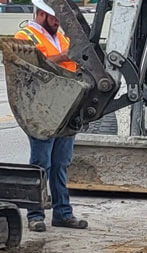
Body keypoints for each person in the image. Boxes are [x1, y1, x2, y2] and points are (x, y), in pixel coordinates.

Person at [15, 0, 86, 231]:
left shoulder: (62, 37)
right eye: (54, 17)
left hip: (66, 108)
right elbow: (30, 68)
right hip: (41, 111)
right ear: (41, 14)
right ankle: (35, 215)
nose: (58, 22)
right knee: (41, 164)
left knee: (60, 164)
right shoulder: (25, 37)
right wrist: (64, 56)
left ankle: (62, 213)